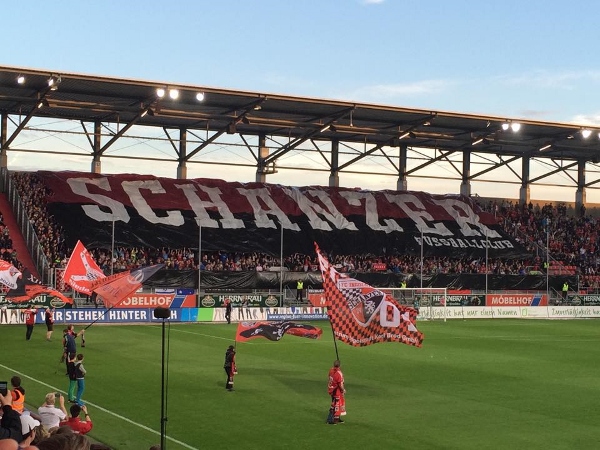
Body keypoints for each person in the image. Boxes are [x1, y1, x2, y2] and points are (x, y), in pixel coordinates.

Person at [326, 360, 346, 425]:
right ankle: (329, 420)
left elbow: (329, 377)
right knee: (334, 405)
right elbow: (340, 384)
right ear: (339, 365)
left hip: (331, 389)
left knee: (337, 404)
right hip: (335, 391)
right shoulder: (339, 373)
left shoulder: (331, 370)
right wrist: (343, 390)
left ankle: (337, 418)